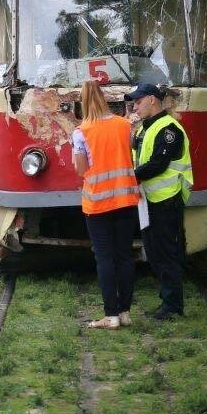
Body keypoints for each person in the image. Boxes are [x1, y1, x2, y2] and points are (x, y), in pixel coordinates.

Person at [72, 80, 141, 329]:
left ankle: (110, 315)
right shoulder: (125, 125)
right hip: (126, 200)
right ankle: (125, 312)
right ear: (103, 98)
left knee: (104, 258)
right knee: (124, 256)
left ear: (82, 101)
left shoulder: (81, 132)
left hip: (98, 203)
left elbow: (81, 170)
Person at [127, 82, 193, 320]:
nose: (135, 106)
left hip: (167, 201)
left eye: (138, 101)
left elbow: (158, 164)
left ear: (152, 100)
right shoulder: (144, 128)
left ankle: (173, 307)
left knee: (166, 254)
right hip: (149, 201)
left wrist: (127, 178)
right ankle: (167, 301)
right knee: (155, 253)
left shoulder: (169, 129)